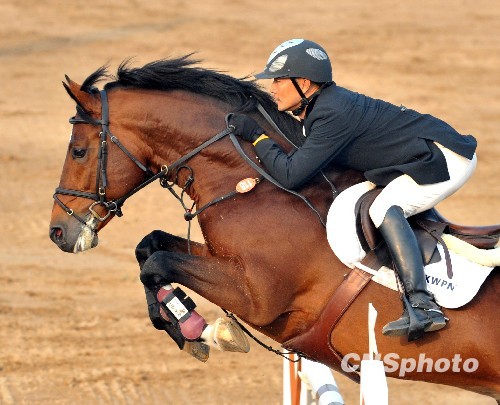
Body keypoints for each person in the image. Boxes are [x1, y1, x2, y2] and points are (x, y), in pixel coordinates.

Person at [228, 38, 478, 341]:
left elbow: (292, 175)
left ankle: (422, 305)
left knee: (384, 208)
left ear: (304, 83)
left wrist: (257, 136)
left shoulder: (332, 113)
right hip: (419, 154)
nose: (273, 88)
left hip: (443, 160)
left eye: (279, 80)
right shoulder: (321, 107)